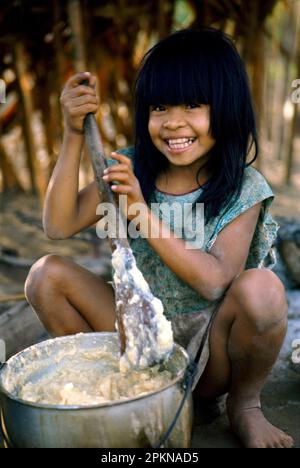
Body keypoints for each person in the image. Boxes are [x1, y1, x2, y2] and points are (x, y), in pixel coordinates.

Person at [24, 28, 294, 448]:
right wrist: (74, 134)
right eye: (160, 106)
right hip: (136, 336)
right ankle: (120, 389)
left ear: (226, 109)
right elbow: (57, 226)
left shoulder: (245, 188)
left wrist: (140, 213)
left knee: (264, 290)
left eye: (192, 104)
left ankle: (243, 406)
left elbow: (214, 280)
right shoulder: (132, 167)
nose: (173, 121)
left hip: (209, 352)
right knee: (46, 275)